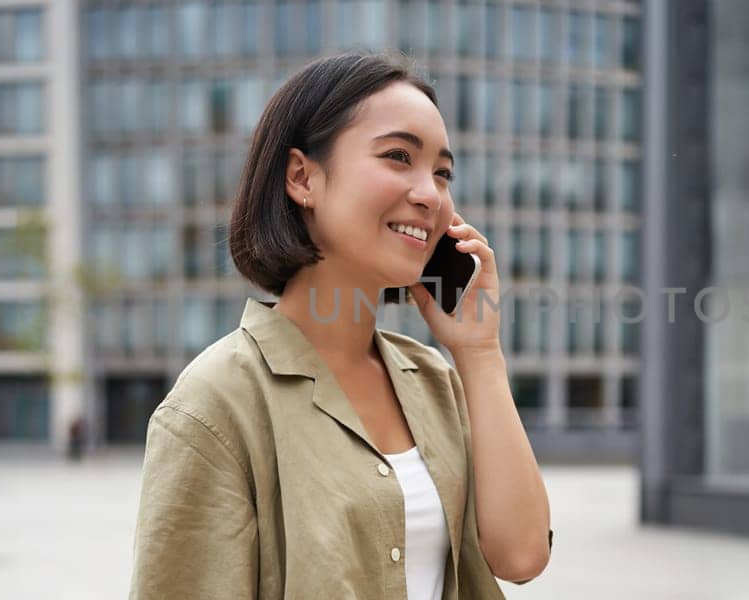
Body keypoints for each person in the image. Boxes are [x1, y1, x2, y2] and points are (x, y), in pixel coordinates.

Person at [129, 53, 552, 599]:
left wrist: (479, 352)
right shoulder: (215, 404)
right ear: (302, 177)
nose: (430, 195)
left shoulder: (433, 381)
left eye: (442, 172)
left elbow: (520, 556)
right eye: (399, 157)